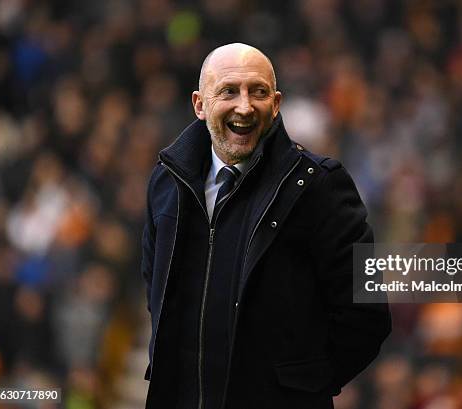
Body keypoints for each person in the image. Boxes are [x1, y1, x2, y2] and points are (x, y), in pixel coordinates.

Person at [141, 43, 390, 409]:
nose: (244, 106)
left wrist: (299, 388)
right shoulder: (166, 183)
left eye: (257, 92)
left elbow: (366, 315)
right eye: (229, 91)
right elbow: (156, 292)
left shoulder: (318, 185)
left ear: (275, 105)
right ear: (199, 104)